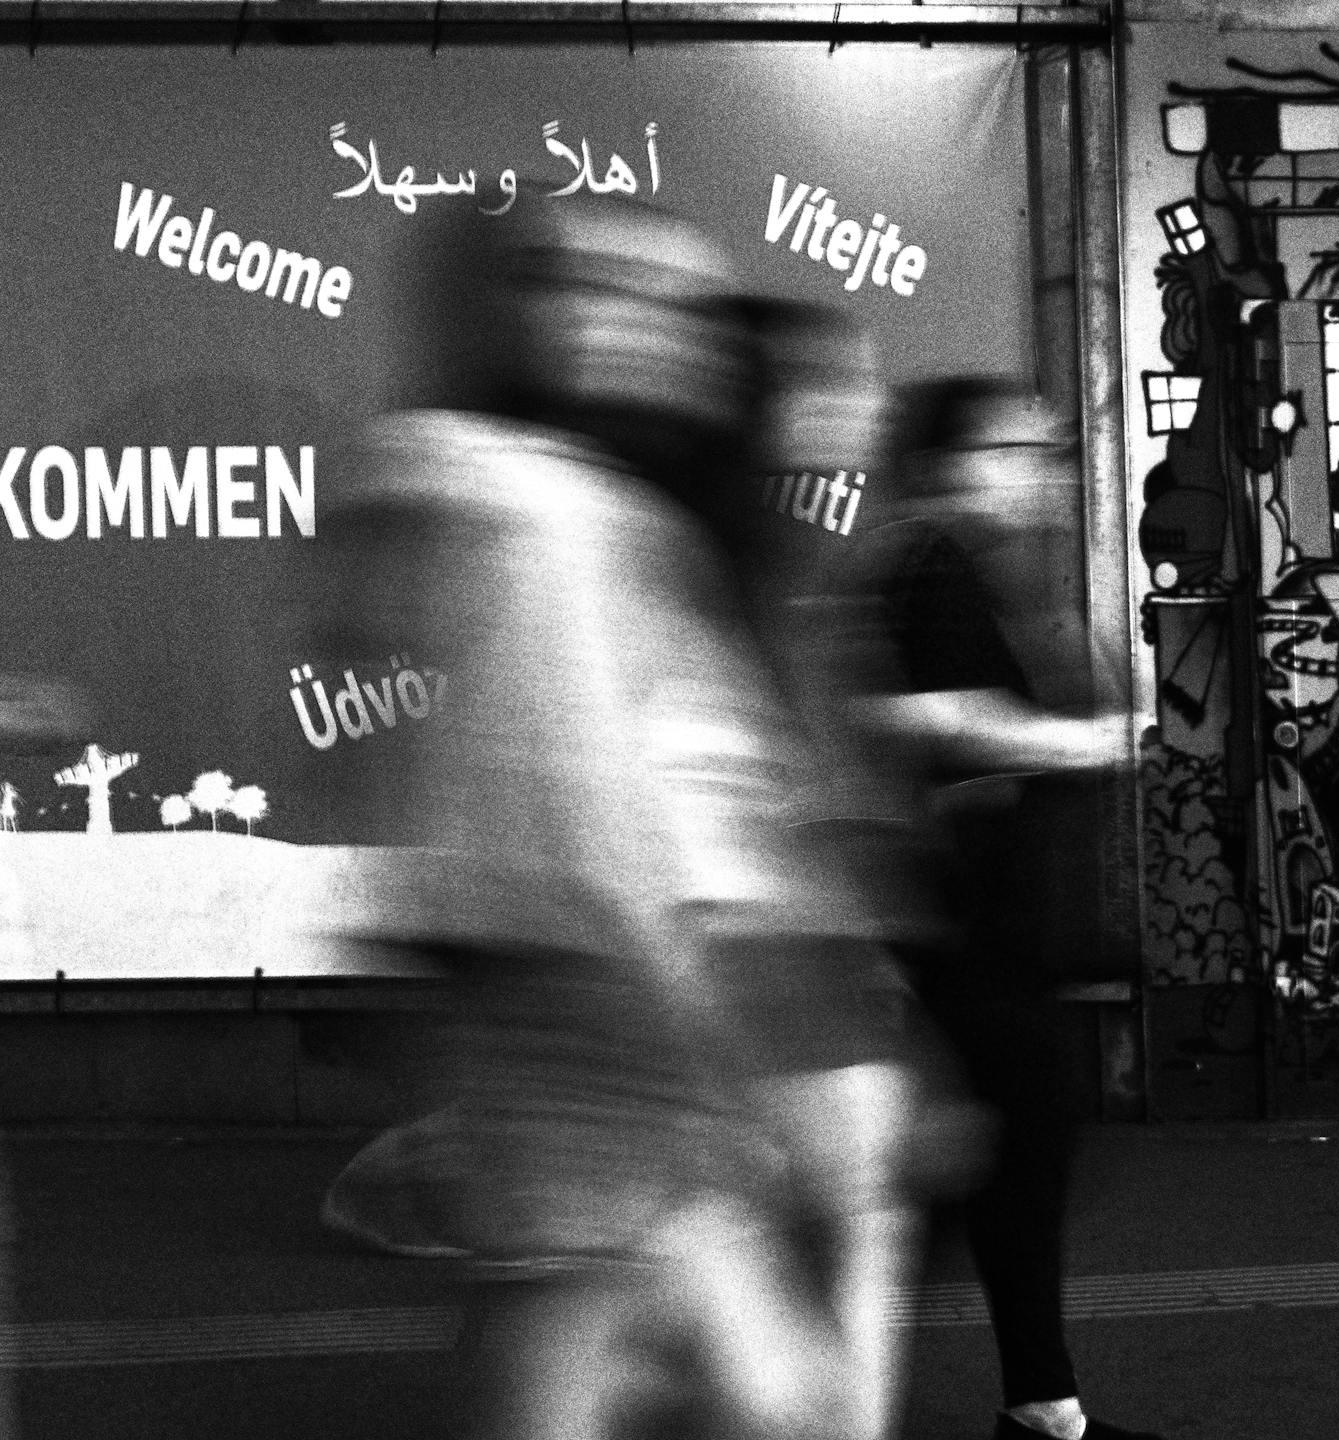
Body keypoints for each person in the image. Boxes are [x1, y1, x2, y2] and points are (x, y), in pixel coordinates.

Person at [308, 196, 921, 1440]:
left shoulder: (585, 516)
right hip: (597, 981)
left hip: (601, 990)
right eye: (617, 294)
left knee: (672, 1359)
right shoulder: (547, 511)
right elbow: (594, 789)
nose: (670, 334)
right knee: (691, 1373)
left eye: (679, 306)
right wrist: (695, 992)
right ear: (538, 315)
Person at [817, 377, 1160, 1440]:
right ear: (948, 461)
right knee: (946, 1184)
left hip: (990, 928)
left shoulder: (973, 566)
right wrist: (1071, 742)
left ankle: (1040, 1405)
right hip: (952, 932)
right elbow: (908, 717)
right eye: (1015, 448)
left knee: (1006, 1165)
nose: (1041, 471)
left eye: (1047, 450)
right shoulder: (929, 559)